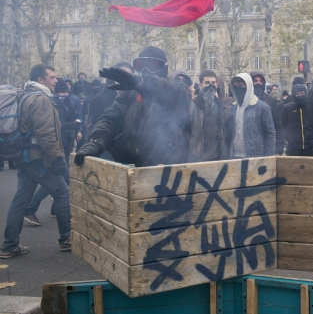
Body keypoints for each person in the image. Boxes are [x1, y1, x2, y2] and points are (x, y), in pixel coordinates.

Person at [75, 46, 191, 167]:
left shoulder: (177, 92)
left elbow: (172, 90)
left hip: (166, 173)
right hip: (133, 170)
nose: (146, 70)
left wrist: (142, 82)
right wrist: (97, 141)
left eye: (153, 65)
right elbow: (111, 118)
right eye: (141, 65)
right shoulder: (130, 93)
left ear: (164, 68)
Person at [1, 65, 71, 258]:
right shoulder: (40, 99)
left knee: (20, 200)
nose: (56, 80)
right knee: (63, 193)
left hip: (23, 157)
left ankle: (9, 246)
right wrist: (57, 158)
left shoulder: (24, 95)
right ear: (41, 80)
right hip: (37, 158)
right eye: (52, 77)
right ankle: (67, 239)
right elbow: (46, 133)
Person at [23, 78, 80, 225]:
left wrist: (68, 106)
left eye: (67, 91)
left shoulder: (65, 101)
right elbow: (54, 127)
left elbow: (72, 117)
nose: (64, 94)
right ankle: (64, 233)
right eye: (62, 91)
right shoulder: (49, 101)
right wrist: (71, 126)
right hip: (55, 148)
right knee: (59, 184)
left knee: (55, 183)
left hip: (62, 145)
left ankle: (46, 210)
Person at [226, 74, 276, 158]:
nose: (238, 88)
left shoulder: (262, 107)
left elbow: (270, 134)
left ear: (248, 86)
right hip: (234, 156)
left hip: (254, 157)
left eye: (241, 85)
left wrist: (269, 158)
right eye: (236, 85)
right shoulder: (233, 108)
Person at [189, 71, 229, 162]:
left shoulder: (220, 106)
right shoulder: (193, 105)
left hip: (217, 159)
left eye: (213, 83)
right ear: (200, 85)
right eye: (207, 83)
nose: (211, 86)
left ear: (217, 85)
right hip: (198, 159)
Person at [250, 71, 284, 155]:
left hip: (267, 147)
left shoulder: (270, 100)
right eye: (255, 81)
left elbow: (278, 126)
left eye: (260, 81)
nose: (258, 83)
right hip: (249, 148)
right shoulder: (245, 100)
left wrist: (278, 150)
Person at [281, 84, 312, 156]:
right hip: (293, 146)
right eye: (298, 94)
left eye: (302, 93)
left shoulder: (310, 106)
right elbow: (282, 124)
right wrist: (287, 137)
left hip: (309, 146)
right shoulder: (287, 108)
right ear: (294, 94)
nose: (300, 95)